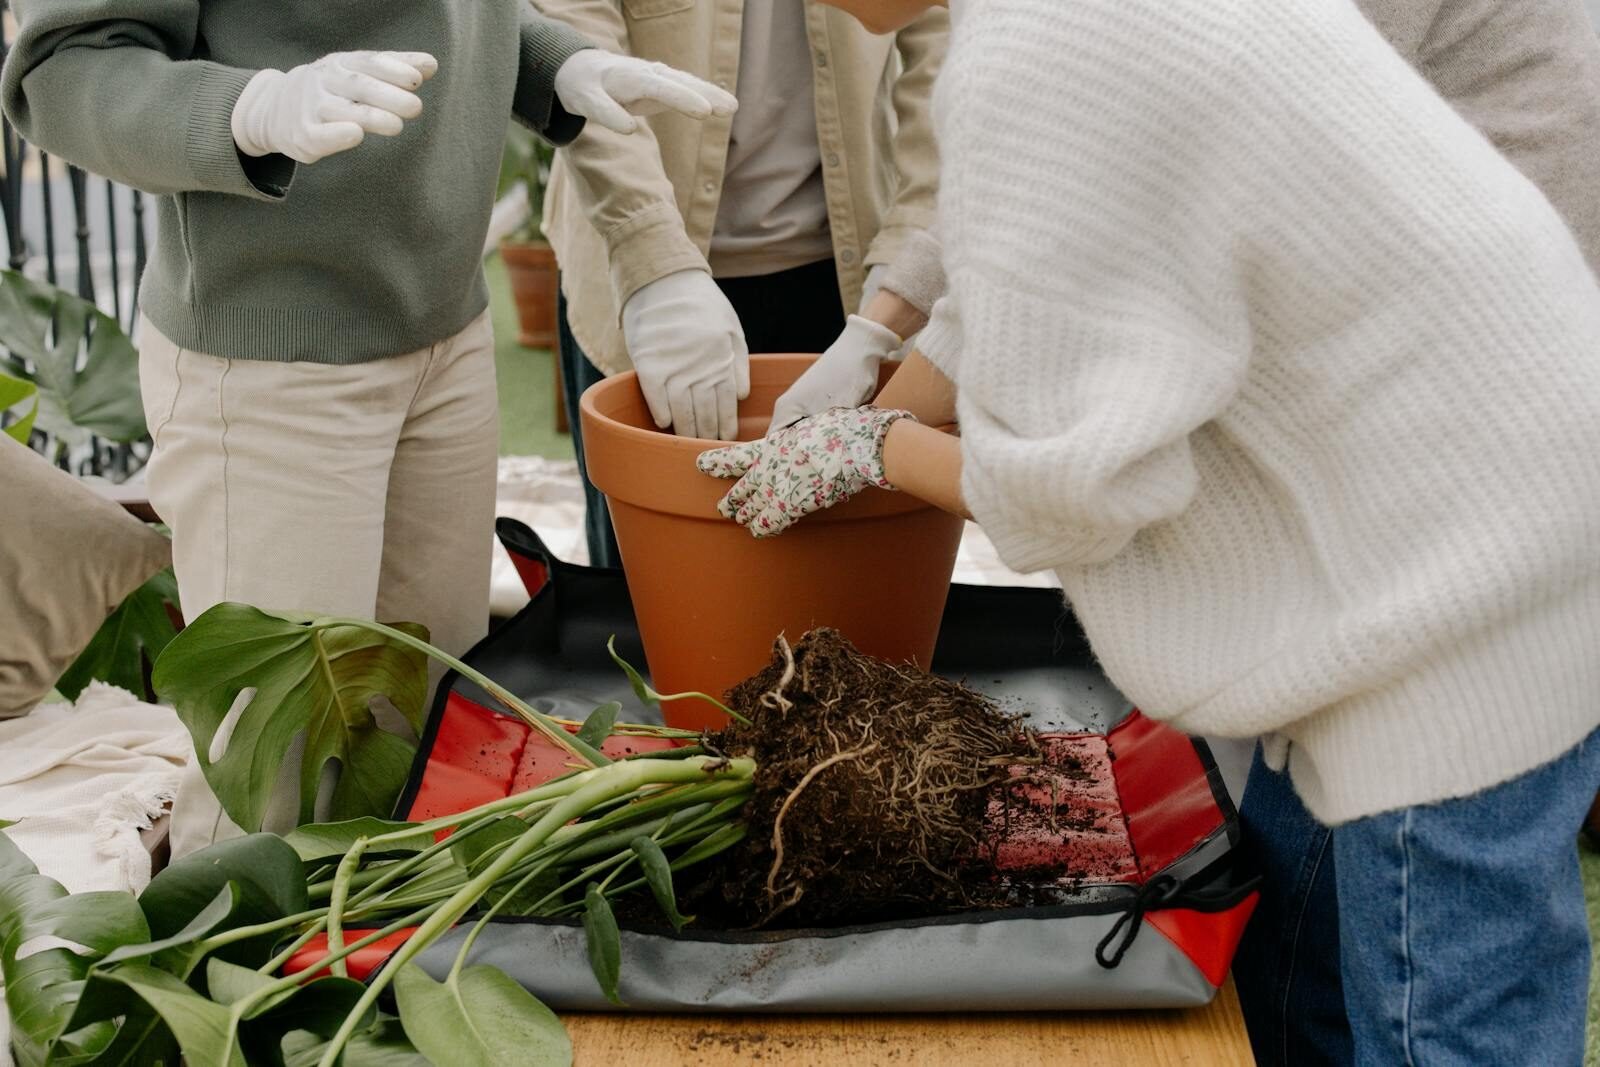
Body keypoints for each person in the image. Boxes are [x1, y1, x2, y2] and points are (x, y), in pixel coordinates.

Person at [698, 1, 1600, 1064]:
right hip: (1439, 478)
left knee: (1436, 1011)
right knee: (1298, 951)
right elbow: (1056, 235)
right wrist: (884, 364)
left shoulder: (1029, 48)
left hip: (1456, 552)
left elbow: (1076, 491)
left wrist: (877, 448)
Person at [1, 0, 734, 856]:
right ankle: (252, 979)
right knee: (275, 780)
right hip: (274, 355)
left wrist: (553, 67)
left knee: (425, 721)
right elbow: (64, 71)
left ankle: (391, 968)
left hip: (445, 327)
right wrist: (248, 108)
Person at [535, 0, 948, 567]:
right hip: (639, 284)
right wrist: (653, 258)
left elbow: (946, 39)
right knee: (652, 576)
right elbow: (573, 51)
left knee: (847, 570)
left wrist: (906, 264)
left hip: (847, 269)